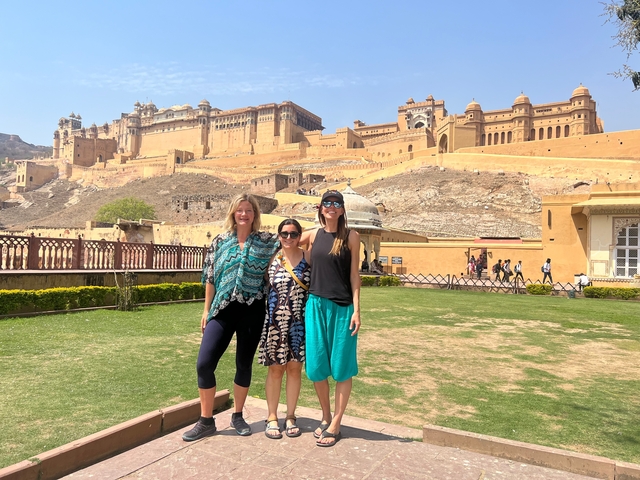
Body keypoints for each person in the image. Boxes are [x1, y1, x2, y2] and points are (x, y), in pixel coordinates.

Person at [182, 194, 280, 442]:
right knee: (204, 363)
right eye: (240, 210)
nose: (244, 214)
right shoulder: (220, 241)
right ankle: (205, 420)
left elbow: (295, 237)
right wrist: (206, 310)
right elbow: (211, 277)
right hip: (223, 310)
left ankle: (237, 415)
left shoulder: (266, 242)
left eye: (248, 210)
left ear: (255, 215)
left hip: (252, 310)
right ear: (233, 214)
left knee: (243, 364)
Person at [302, 190, 361, 447]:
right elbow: (285, 239)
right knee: (316, 367)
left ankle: (336, 422)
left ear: (342, 209)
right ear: (321, 207)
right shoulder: (313, 234)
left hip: (342, 308)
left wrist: (357, 310)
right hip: (315, 305)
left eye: (337, 204)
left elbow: (354, 276)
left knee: (341, 366)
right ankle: (325, 414)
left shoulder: (351, 237)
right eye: (328, 203)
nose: (332, 207)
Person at [258, 219, 310, 439]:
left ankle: (290, 415)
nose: (289, 238)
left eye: (294, 234)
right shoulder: (272, 259)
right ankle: (272, 417)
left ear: (300, 236)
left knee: (294, 369)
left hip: (300, 322)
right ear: (278, 236)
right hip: (274, 323)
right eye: (285, 234)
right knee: (276, 369)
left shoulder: (309, 259)